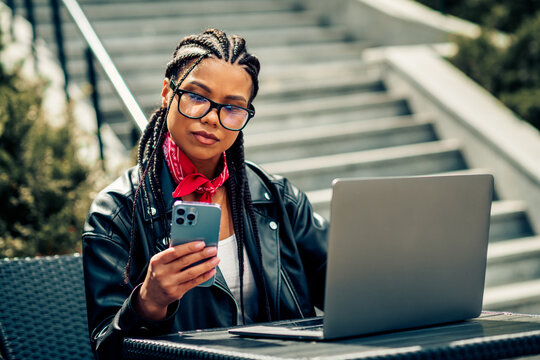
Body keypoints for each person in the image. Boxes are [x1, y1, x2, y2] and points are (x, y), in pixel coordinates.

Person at [82, 28, 328, 359]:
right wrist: (148, 302)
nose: (212, 118)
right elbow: (106, 349)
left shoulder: (277, 196)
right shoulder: (117, 211)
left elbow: (344, 287)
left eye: (232, 108)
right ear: (167, 93)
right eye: (197, 97)